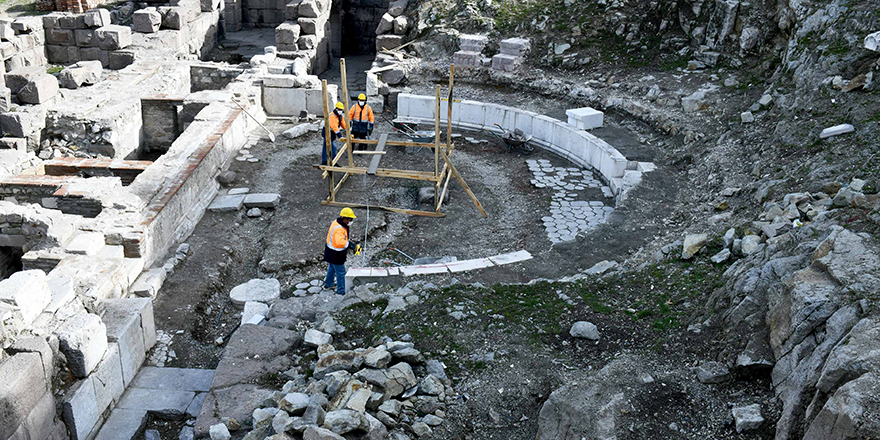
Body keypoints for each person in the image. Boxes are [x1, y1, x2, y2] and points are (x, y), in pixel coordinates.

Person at [323, 207, 358, 295]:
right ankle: (341, 291)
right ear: (344, 218)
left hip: (330, 251)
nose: (351, 221)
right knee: (341, 272)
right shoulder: (339, 229)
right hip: (336, 254)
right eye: (349, 219)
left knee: (332, 268)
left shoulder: (337, 222)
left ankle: (328, 285)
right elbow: (339, 242)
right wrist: (350, 245)